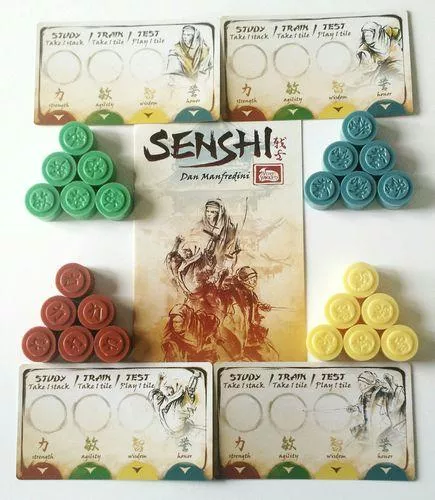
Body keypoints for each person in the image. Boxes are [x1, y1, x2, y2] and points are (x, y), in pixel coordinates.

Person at [217, 266, 278, 361]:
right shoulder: (231, 292)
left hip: (250, 331)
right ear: (243, 280)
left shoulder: (251, 293)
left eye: (255, 279)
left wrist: (262, 306)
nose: (254, 282)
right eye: (251, 280)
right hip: (235, 331)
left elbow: (255, 304)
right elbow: (220, 300)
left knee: (270, 356)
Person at [347, 371, 406, 446]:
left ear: (368, 383)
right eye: (359, 384)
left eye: (362, 384)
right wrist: (355, 408)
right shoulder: (362, 397)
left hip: (385, 426)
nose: (361, 386)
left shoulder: (382, 393)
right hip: (370, 426)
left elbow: (396, 399)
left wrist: (391, 384)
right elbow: (362, 407)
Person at [148, 370, 201, 434]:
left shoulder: (178, 402)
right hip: (172, 430)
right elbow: (156, 391)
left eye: (171, 389)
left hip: (178, 428)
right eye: (168, 388)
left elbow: (190, 392)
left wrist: (194, 377)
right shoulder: (159, 401)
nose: (170, 391)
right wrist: (159, 380)